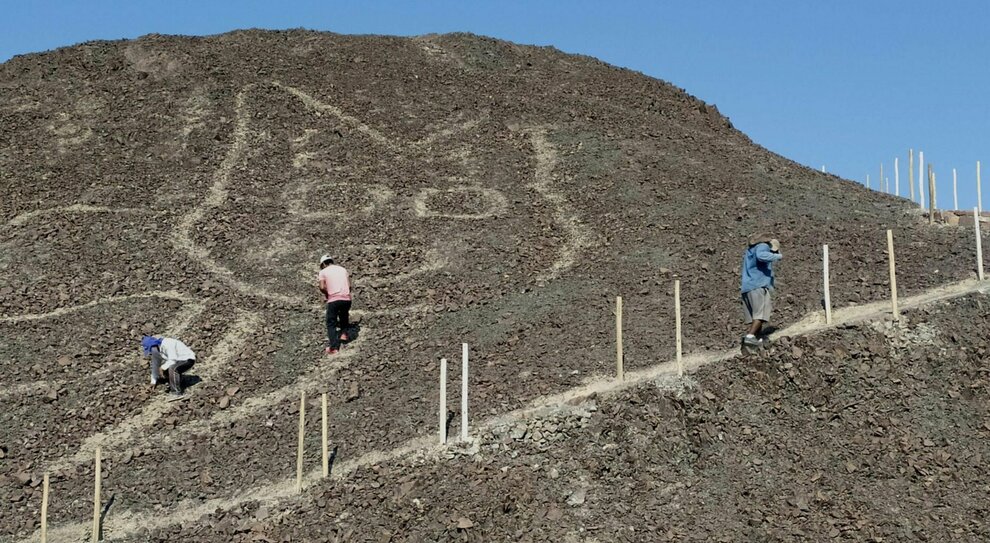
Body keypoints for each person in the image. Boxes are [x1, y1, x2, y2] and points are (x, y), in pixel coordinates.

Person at [740, 233, 782, 349]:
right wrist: (778, 256)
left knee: (755, 315)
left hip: (747, 286)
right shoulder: (763, 246)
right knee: (761, 314)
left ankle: (756, 339)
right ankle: (750, 336)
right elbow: (761, 256)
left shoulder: (750, 250)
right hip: (758, 285)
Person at [142, 335, 196, 400]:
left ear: (154, 345)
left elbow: (173, 359)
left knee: (172, 368)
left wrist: (162, 368)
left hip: (187, 359)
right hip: (177, 361)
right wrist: (153, 382)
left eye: (150, 349)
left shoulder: (168, 343)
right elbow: (155, 366)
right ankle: (180, 382)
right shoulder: (156, 351)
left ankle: (176, 393)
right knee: (166, 370)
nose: (151, 352)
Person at [318, 255, 352, 355]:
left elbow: (321, 287)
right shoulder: (343, 269)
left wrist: (327, 293)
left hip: (334, 299)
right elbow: (349, 286)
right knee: (344, 315)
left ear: (323, 264)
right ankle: (344, 333)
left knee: (331, 322)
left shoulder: (323, 272)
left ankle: (333, 348)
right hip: (346, 298)